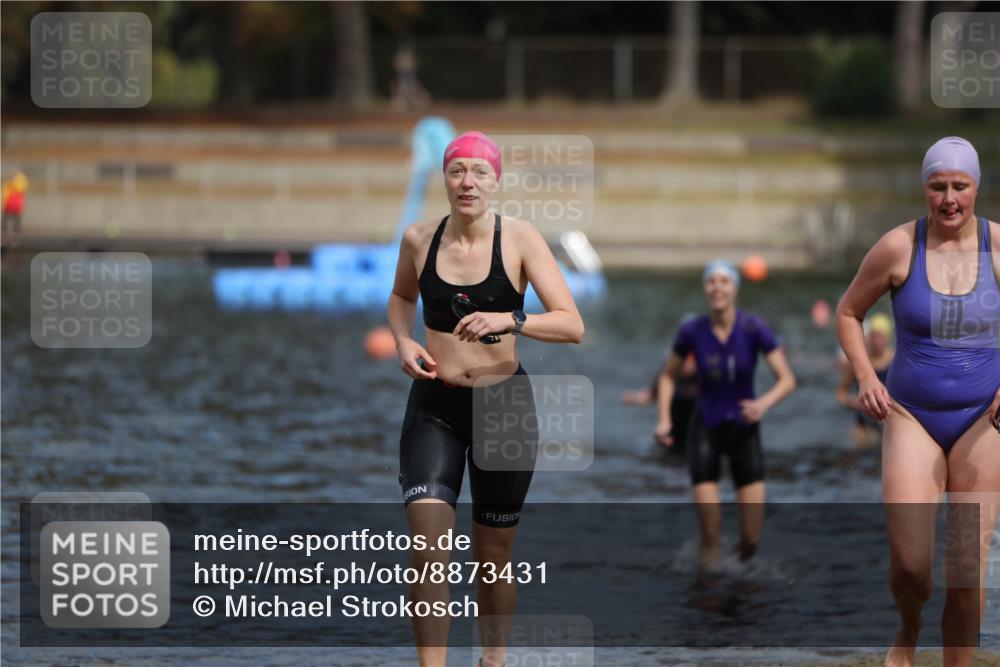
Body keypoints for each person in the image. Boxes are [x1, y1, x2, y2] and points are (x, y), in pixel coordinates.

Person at [387, 131, 585, 667]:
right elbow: (402, 296)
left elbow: (572, 325)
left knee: (493, 557)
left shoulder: (520, 240)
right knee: (428, 553)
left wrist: (512, 318)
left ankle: (492, 661)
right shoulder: (418, 238)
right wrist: (404, 340)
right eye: (457, 171)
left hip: (504, 410)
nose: (467, 182)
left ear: (495, 182)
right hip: (434, 406)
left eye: (478, 172)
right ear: (445, 178)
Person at [835, 136, 1000, 667]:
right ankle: (908, 632)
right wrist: (865, 377)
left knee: (966, 570)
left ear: (977, 187)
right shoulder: (899, 247)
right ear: (923, 188)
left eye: (960, 186)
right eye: (938, 186)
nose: (949, 198)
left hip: (986, 422)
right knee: (911, 565)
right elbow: (846, 312)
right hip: (910, 416)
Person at [654, 260, 796, 568]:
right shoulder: (692, 331)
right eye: (711, 282)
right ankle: (710, 595)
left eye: (724, 281)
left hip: (745, 431)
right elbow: (667, 376)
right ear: (705, 288)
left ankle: (737, 577)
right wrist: (664, 418)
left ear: (734, 288)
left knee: (751, 540)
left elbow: (787, 380)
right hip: (705, 429)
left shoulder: (753, 328)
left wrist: (764, 403)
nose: (717, 287)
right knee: (710, 536)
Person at [836, 312, 895, 448]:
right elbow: (841, 395)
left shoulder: (897, 360)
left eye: (880, 336)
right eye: (873, 336)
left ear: (887, 337)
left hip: (889, 422)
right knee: (859, 451)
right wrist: (855, 402)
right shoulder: (858, 363)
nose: (876, 340)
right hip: (863, 423)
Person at [2, 170, 29, 246]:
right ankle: (4, 239)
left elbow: (21, 188)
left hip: (16, 206)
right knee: (4, 224)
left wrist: (14, 182)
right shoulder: (7, 184)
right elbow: (4, 193)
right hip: (7, 206)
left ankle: (16, 240)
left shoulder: (19, 183)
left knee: (16, 224)